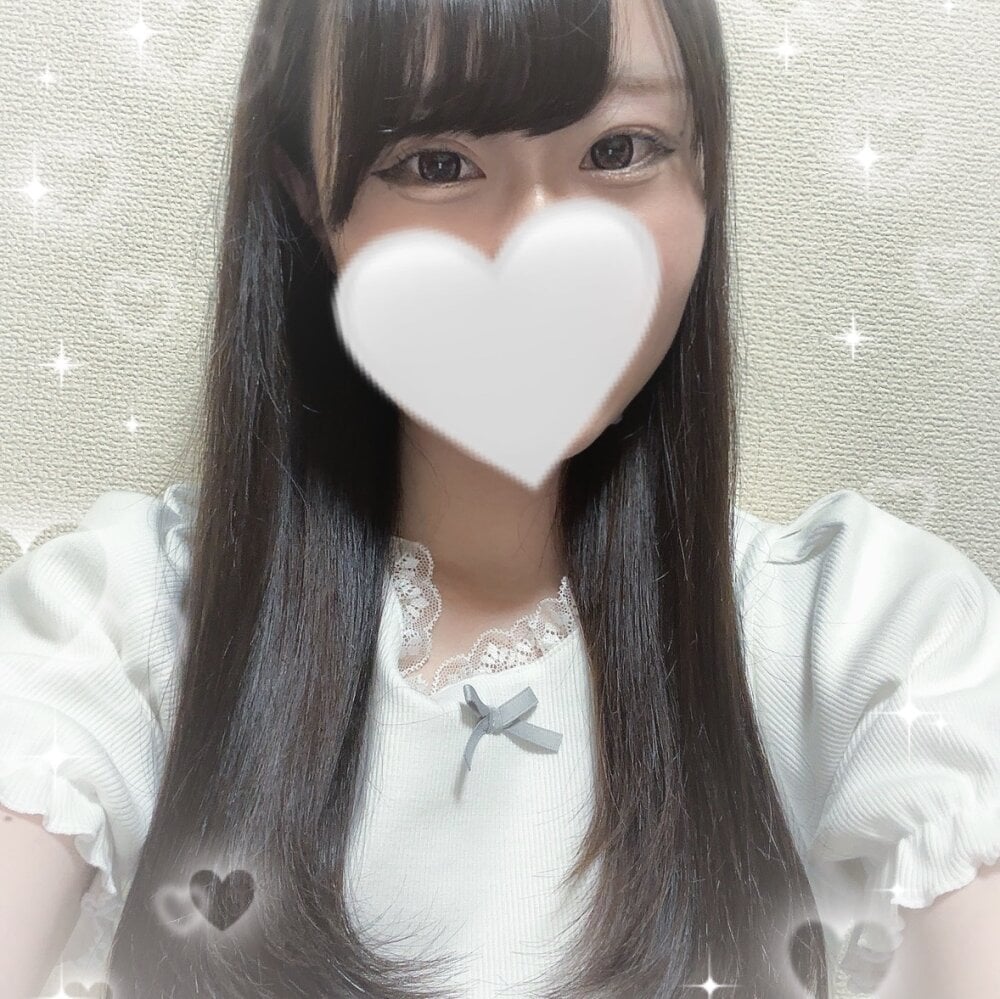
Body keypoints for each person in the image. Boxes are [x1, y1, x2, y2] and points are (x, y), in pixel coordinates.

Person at [2, 0, 999, 997]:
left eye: (620, 150)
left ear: (705, 170)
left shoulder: (875, 639)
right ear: (308, 199)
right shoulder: (117, 626)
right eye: (435, 163)